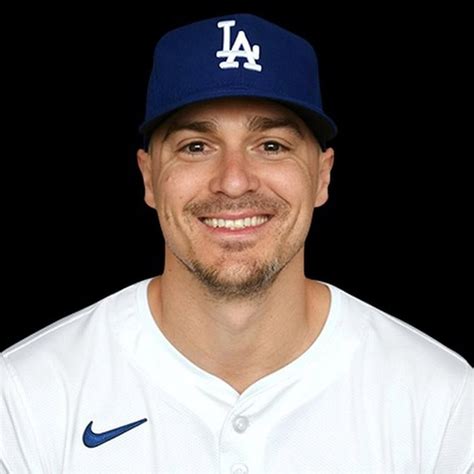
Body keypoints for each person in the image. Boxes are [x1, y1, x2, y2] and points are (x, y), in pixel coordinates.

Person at [1, 13, 472, 473]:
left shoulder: (441, 400)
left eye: (271, 146)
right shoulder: (27, 396)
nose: (232, 181)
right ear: (149, 177)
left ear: (322, 176)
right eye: (196, 147)